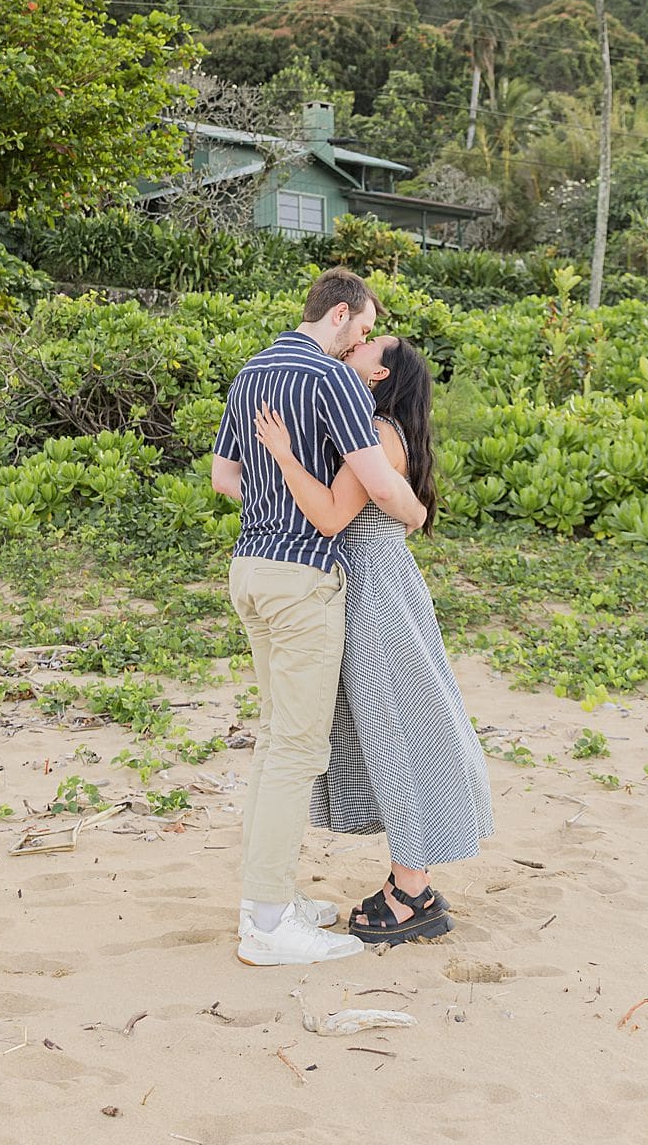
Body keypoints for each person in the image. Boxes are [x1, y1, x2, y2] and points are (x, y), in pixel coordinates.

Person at [211, 269, 428, 967]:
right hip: (302, 577)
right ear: (340, 315)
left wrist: (273, 497)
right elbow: (375, 482)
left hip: (248, 567)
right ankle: (269, 924)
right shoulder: (331, 378)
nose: (362, 342)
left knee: (277, 741)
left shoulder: (250, 372)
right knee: (297, 752)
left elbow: (223, 479)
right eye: (363, 330)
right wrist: (415, 510)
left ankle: (268, 900)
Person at [253, 333, 494, 947]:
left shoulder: (379, 431)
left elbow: (335, 515)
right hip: (376, 579)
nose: (351, 346)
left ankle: (411, 890)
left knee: (397, 725)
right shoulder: (372, 426)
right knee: (387, 723)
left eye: (364, 346)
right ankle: (410, 879)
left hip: (370, 586)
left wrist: (281, 454)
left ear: (381, 374)